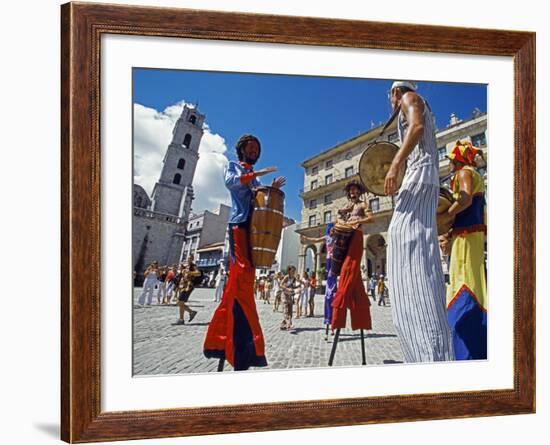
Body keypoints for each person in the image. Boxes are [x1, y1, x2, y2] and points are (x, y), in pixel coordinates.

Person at [384, 80, 454, 363]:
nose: (390, 102)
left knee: (403, 237)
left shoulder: (410, 97)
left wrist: (395, 163)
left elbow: (417, 128)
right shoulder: (412, 102)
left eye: (389, 97)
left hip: (420, 175)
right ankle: (423, 343)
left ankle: (428, 347)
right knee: (412, 243)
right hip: (422, 178)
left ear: (394, 92)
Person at [203, 134, 285, 371]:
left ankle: (223, 341)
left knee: (242, 281)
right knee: (241, 274)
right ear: (242, 149)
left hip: (253, 228)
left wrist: (272, 190)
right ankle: (245, 341)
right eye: (251, 147)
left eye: (257, 149)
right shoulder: (234, 167)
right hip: (238, 225)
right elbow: (232, 183)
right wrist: (257, 176)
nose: (254, 151)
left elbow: (260, 202)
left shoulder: (254, 181)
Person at [438, 140, 487, 360]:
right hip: (469, 236)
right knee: (474, 282)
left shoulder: (464, 173)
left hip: (466, 238)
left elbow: (465, 199)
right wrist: (449, 233)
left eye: (450, 160)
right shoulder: (474, 174)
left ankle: (469, 348)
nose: (448, 164)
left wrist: (446, 215)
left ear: (458, 159)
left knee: (463, 282)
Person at [331, 181, 373, 331]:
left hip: (357, 235)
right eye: (351, 191)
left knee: (349, 267)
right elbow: (337, 219)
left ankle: (340, 308)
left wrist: (358, 220)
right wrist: (342, 213)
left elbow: (371, 218)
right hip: (345, 236)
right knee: (351, 274)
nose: (353, 193)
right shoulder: (347, 205)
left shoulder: (363, 205)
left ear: (359, 192)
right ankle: (360, 318)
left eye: (355, 191)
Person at [301, 224, 338, 338]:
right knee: (330, 274)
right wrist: (307, 239)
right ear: (329, 230)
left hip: (335, 259)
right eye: (332, 229)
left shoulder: (337, 238)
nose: (333, 231)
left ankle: (334, 285)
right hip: (328, 259)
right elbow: (316, 239)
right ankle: (330, 284)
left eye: (334, 229)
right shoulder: (327, 237)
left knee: (333, 276)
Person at [175, 255, 201, 325]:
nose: (188, 259)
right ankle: (181, 319)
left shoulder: (193, 266)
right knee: (181, 303)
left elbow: (198, 273)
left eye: (190, 258)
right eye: (188, 258)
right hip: (182, 285)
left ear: (192, 259)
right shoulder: (185, 266)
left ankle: (191, 312)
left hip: (188, 286)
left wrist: (190, 272)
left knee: (179, 302)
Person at [280, 266, 299, 330]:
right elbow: (281, 285)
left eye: (294, 271)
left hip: (290, 296)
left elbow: (292, 287)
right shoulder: (286, 277)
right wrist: (287, 289)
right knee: (285, 310)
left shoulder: (293, 278)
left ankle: (283, 325)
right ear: (289, 271)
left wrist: (298, 287)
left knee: (290, 311)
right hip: (284, 295)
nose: (294, 272)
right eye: (292, 271)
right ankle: (289, 324)